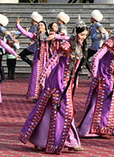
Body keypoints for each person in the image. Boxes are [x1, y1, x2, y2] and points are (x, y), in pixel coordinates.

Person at [19, 25, 85, 154]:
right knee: (65, 111)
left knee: (53, 111)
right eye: (81, 34)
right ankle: (70, 141)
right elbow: (53, 59)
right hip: (57, 81)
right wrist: (42, 77)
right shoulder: (66, 45)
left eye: (85, 35)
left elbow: (76, 68)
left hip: (67, 82)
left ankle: (40, 139)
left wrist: (74, 81)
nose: (83, 37)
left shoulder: (79, 46)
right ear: (76, 33)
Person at [78, 27, 114, 138]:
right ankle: (95, 128)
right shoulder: (109, 43)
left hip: (112, 76)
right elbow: (96, 57)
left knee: (111, 101)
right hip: (104, 76)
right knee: (102, 102)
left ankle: (110, 126)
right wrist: (94, 73)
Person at [18, 15, 50, 101]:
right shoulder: (36, 36)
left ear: (45, 27)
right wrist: (18, 25)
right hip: (38, 57)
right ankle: (36, 95)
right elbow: (26, 33)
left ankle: (46, 95)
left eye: (41, 25)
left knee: (47, 75)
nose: (40, 26)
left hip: (47, 57)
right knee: (36, 74)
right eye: (39, 25)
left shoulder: (50, 36)